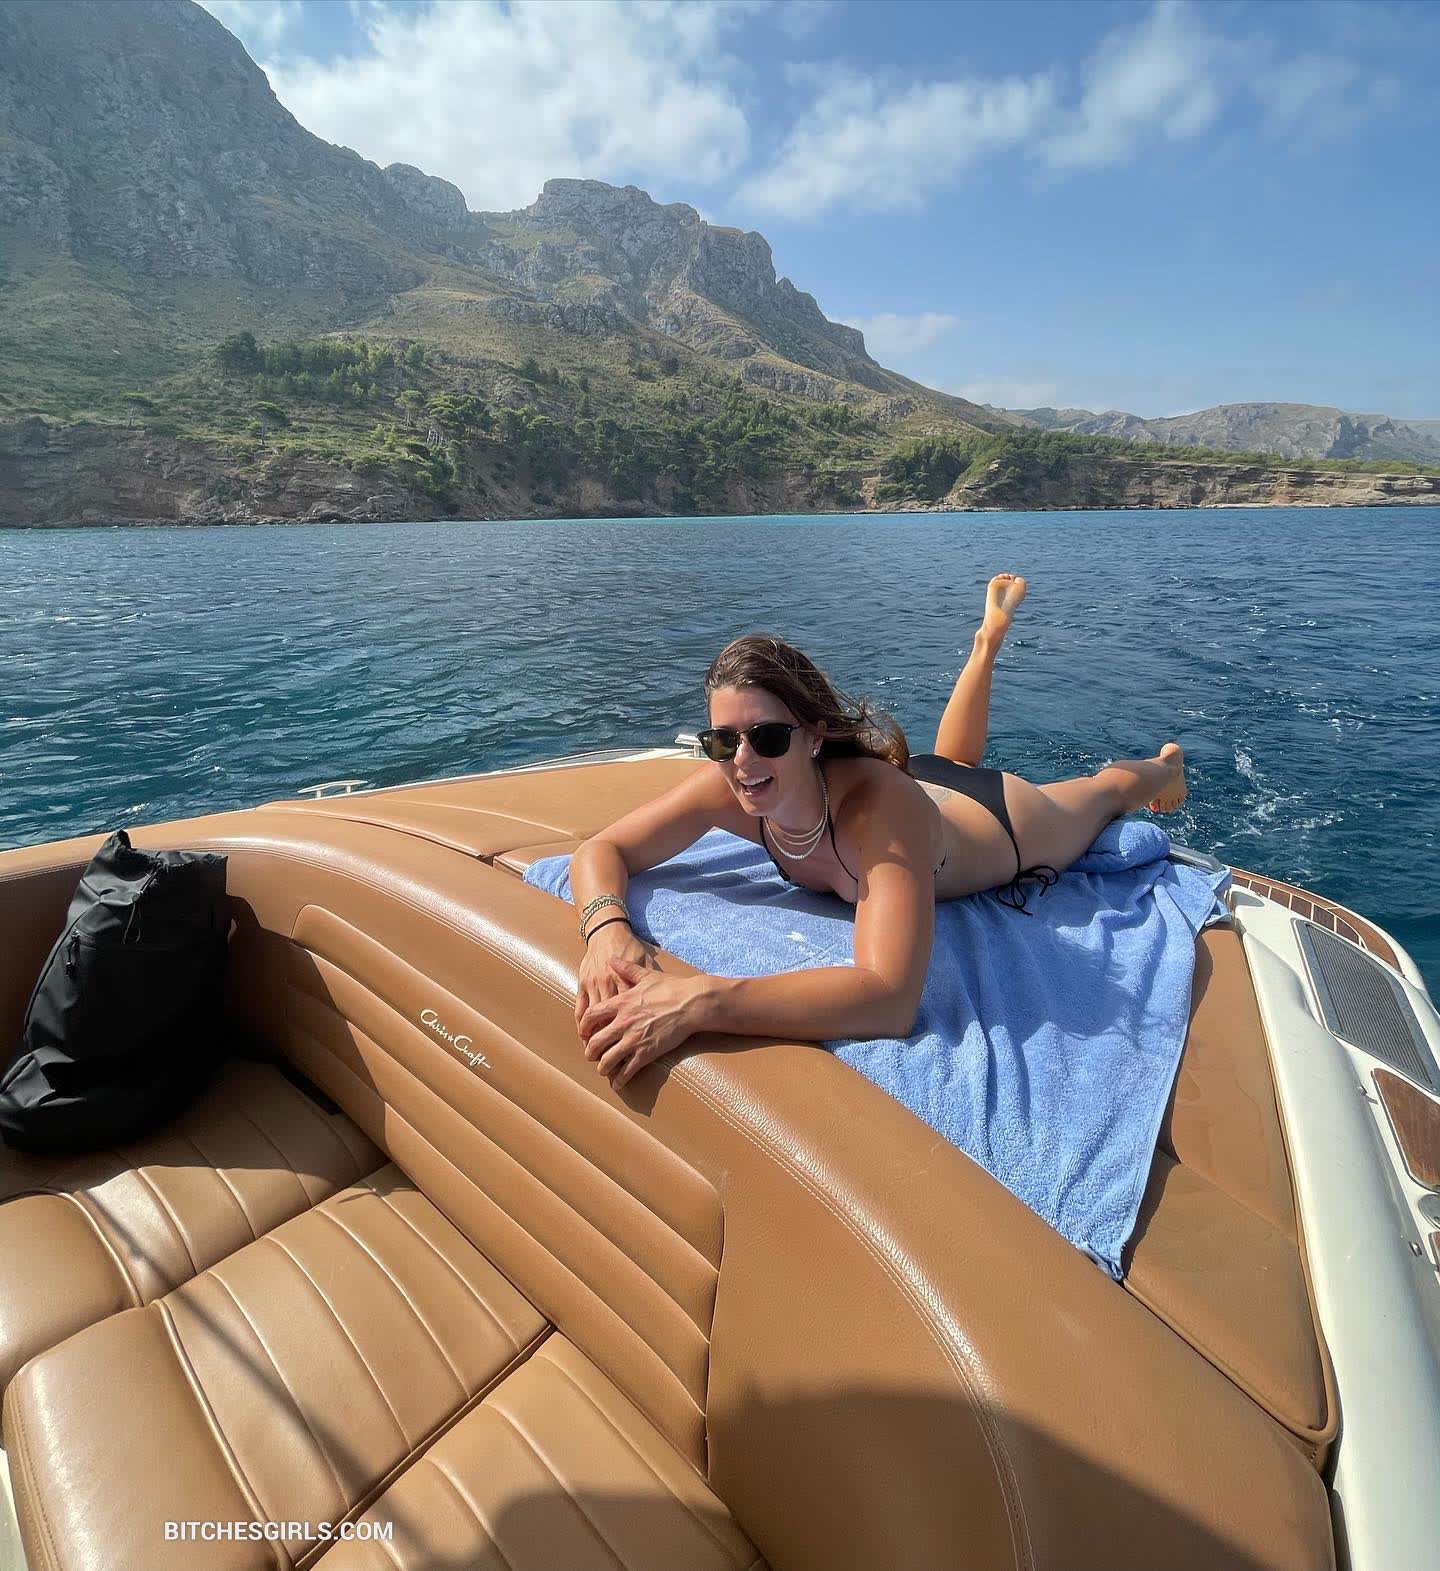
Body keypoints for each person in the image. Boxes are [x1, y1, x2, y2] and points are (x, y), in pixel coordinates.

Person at [570, 574, 1187, 1087]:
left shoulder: (880, 817)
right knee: (951, 761)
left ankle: (1165, 765)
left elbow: (890, 999)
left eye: (768, 736)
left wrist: (700, 1001)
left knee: (1106, 792)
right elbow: (604, 848)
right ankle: (985, 645)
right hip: (924, 785)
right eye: (722, 740)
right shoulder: (731, 782)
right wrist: (606, 931)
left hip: (1004, 821)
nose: (743, 760)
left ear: (814, 736)